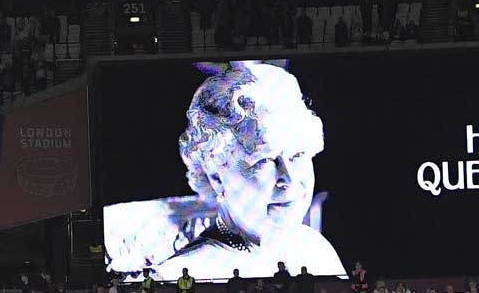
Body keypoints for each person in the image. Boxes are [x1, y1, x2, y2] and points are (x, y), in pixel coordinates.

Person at [103, 60, 345, 280]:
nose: (290, 179)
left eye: (298, 155)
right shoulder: (178, 277)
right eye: (264, 161)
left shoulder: (316, 249)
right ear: (216, 177)